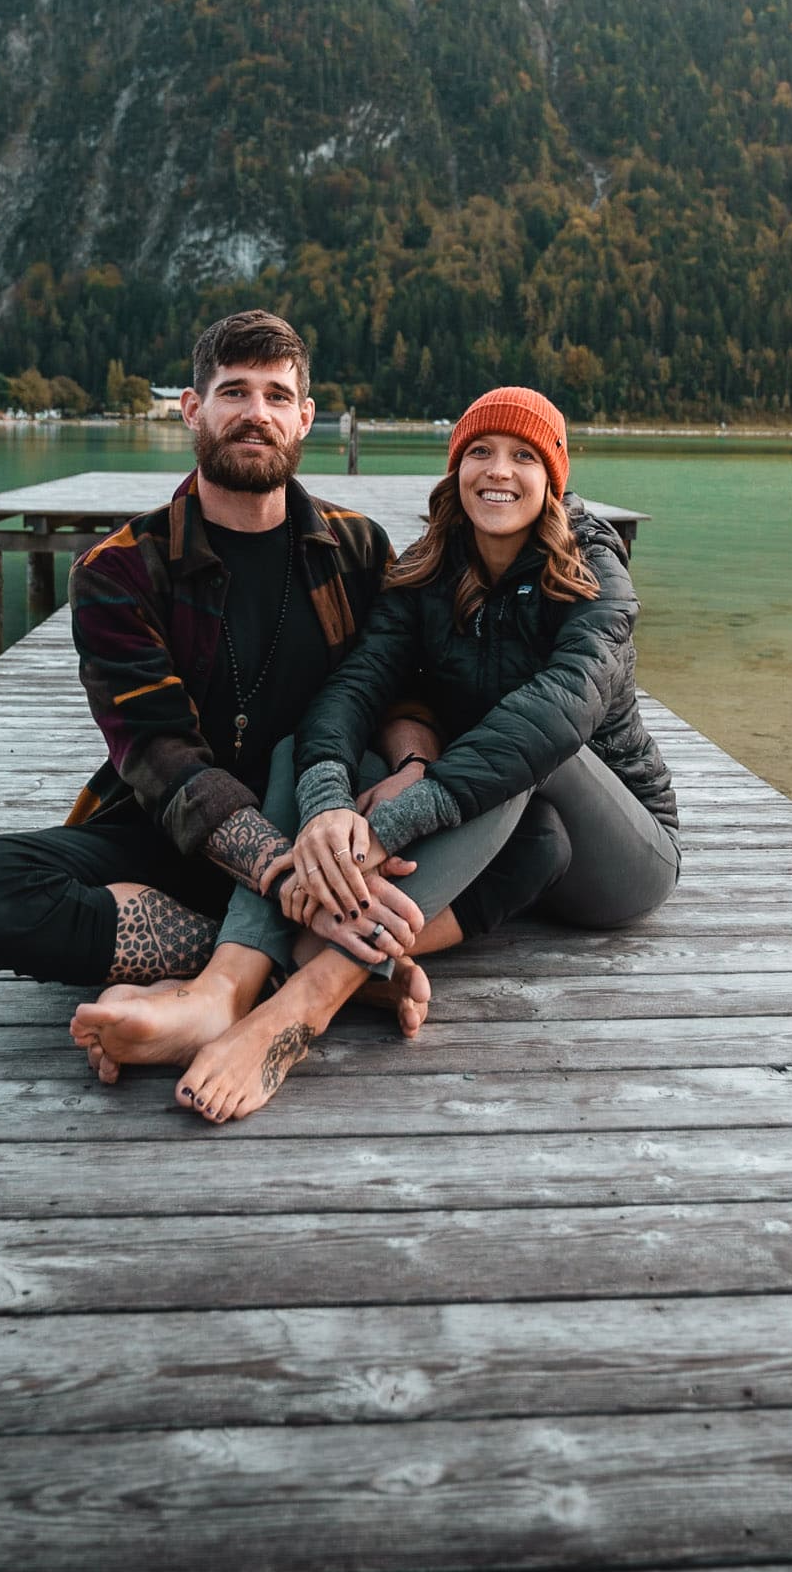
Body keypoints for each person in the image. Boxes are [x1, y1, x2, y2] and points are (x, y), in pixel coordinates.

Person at [97, 385, 680, 1124]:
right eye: (479, 452)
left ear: (553, 477)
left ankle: (310, 998)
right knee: (301, 746)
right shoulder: (428, 571)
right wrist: (327, 812)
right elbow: (354, 687)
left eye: (523, 456)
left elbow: (557, 710)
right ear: (454, 469)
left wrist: (385, 831)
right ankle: (228, 986)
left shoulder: (596, 573)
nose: (497, 471)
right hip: (527, 843)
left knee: (523, 745)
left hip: (624, 851)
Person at [0, 309, 435, 1029]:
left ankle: (245, 962)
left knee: (538, 838)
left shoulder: (357, 548)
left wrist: (409, 773)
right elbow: (159, 755)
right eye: (234, 392)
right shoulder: (118, 571)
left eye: (276, 395)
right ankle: (292, 963)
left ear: (304, 419)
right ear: (193, 411)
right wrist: (289, 876)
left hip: (322, 820)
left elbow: (398, 693)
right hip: (180, 831)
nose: (255, 413)